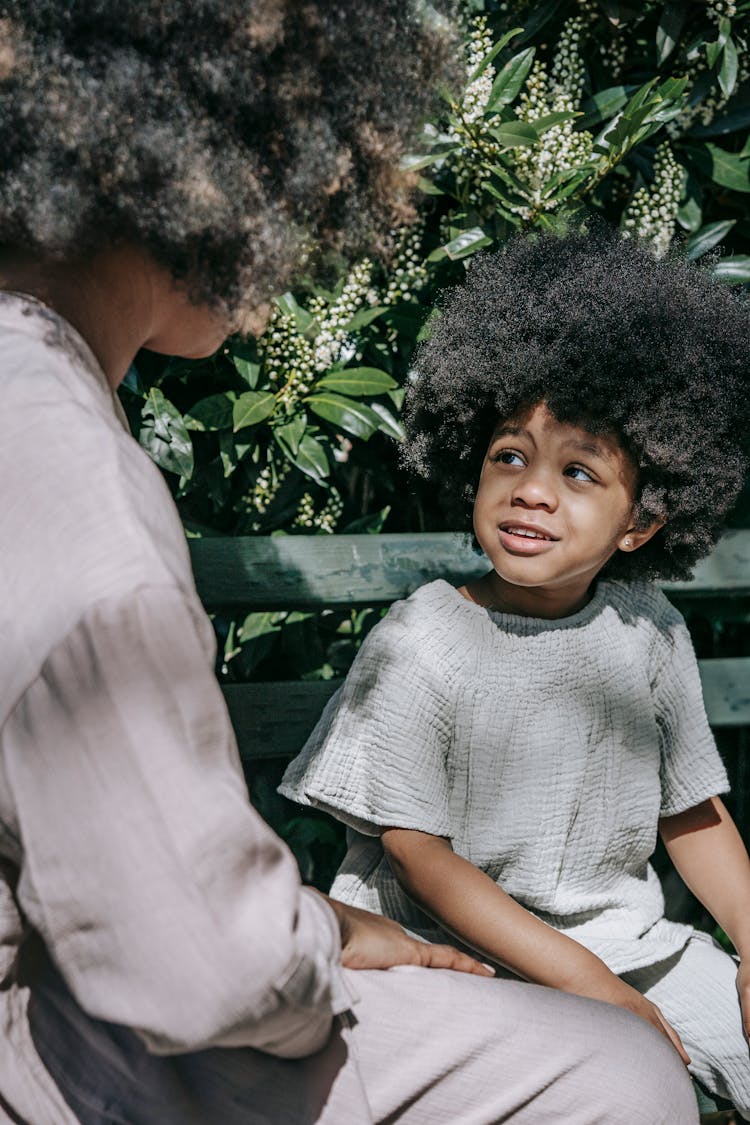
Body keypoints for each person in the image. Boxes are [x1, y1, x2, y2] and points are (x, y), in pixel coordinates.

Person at [0, 5, 700, 1122]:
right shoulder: (77, 492)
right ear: (198, 166)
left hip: (94, 992)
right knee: (621, 1076)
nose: (297, 241)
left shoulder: (37, 406)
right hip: (62, 1041)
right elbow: (208, 965)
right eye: (294, 188)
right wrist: (334, 934)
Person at [281, 230, 750, 1115]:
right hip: (452, 955)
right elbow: (420, 860)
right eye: (510, 455)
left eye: (578, 470)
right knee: (643, 1085)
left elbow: (691, 808)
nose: (532, 489)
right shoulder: (424, 639)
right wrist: (592, 988)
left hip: (626, 942)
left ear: (642, 523)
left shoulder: (645, 629)